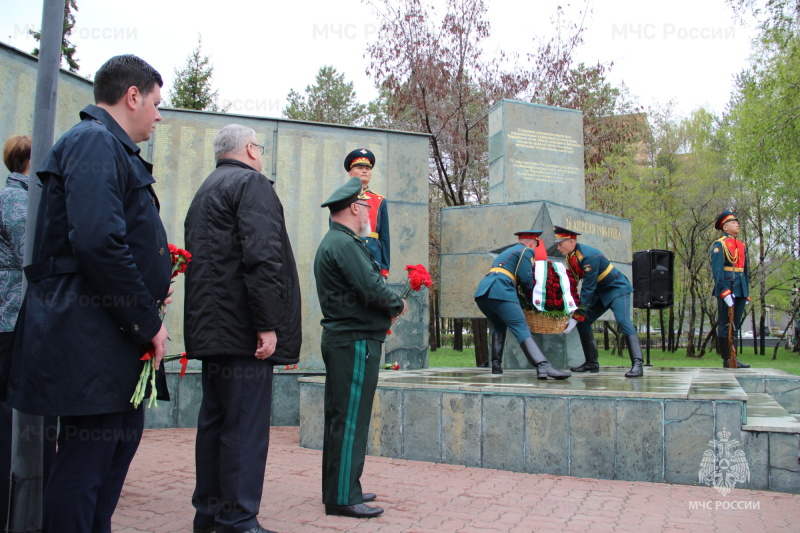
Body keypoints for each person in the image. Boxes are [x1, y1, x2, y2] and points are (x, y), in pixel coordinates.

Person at [4, 55, 171, 533]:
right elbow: (98, 241)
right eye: (156, 103)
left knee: (111, 454)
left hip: (108, 336)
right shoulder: (94, 142)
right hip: (90, 337)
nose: (159, 116)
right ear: (132, 96)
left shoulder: (107, 147)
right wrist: (148, 320)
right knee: (85, 468)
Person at [184, 124, 301, 533]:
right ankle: (237, 517)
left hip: (215, 333)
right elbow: (262, 259)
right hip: (243, 333)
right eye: (261, 149)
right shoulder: (251, 185)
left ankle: (210, 516)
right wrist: (268, 324)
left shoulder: (205, 190)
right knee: (245, 427)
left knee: (215, 423)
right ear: (251, 149)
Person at [314, 176, 407, 519]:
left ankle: (342, 486)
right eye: (366, 205)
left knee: (343, 418)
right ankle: (342, 496)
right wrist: (396, 304)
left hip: (350, 339)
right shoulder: (344, 244)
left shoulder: (341, 241)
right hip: (354, 341)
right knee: (349, 420)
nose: (370, 212)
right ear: (355, 207)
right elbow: (370, 288)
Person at [474, 231, 570, 378]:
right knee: (521, 326)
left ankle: (496, 365)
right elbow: (526, 278)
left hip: (483, 293)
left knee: (499, 325)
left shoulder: (508, 251)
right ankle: (543, 366)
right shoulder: (526, 251)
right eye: (535, 247)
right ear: (532, 243)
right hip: (501, 290)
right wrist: (535, 297)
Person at [555, 226, 643, 378]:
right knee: (584, 322)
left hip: (616, 288)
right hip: (599, 291)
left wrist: (577, 315)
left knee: (623, 321)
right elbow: (573, 281)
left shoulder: (588, 256)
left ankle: (637, 364)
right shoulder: (571, 257)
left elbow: (587, 288)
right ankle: (591, 362)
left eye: (560, 244)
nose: (558, 247)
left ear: (571, 241)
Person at [0, 134, 30, 530]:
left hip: (10, 318)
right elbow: (31, 255)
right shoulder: (19, 201)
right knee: (8, 410)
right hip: (12, 319)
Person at [711, 210, 751, 368]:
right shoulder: (719, 244)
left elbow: (745, 270)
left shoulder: (741, 245)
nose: (737, 224)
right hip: (727, 286)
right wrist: (723, 290)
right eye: (733, 222)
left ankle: (734, 357)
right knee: (725, 324)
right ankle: (727, 358)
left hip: (740, 287)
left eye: (737, 222)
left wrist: (746, 292)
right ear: (725, 227)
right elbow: (718, 270)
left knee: (735, 324)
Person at [344, 148, 390, 277]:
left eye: (368, 168)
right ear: (350, 173)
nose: (364, 170)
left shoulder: (380, 201)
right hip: (348, 255)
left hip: (374, 256)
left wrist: (385, 267)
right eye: (359, 167)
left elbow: (385, 237)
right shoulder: (342, 198)